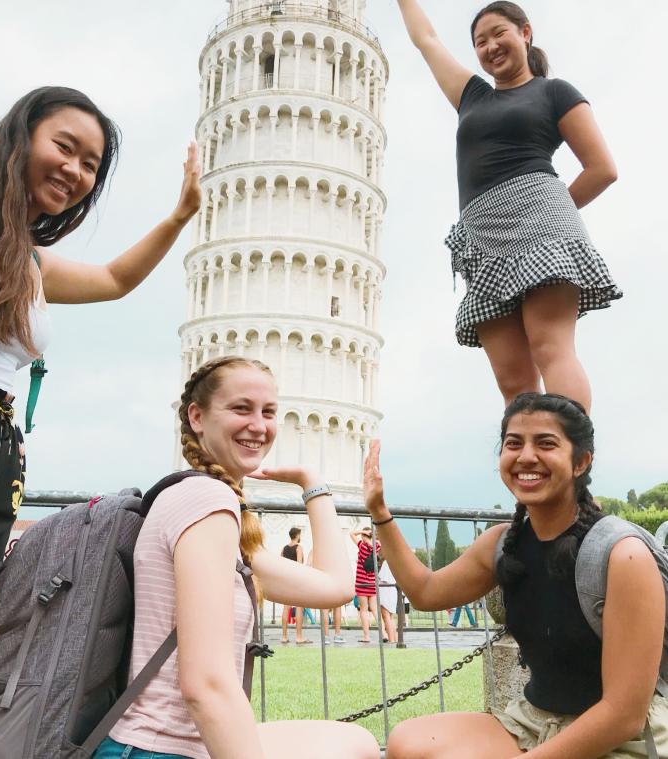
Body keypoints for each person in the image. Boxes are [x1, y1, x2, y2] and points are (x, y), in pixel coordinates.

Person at [0, 86, 202, 742]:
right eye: (63, 146)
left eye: (90, 164)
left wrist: (180, 215)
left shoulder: (23, 257)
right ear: (20, 135)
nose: (74, 170)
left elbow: (114, 279)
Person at [97, 356, 380, 759]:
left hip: (153, 742)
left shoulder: (203, 504)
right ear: (197, 416)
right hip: (160, 748)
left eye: (269, 412)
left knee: (356, 742)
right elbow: (205, 685)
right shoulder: (206, 502)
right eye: (241, 408)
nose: (259, 426)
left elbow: (336, 586)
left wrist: (313, 484)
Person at [364, 394, 668, 758]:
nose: (526, 456)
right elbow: (426, 592)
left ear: (580, 462)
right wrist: (379, 511)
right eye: (513, 443)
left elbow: (623, 716)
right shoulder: (502, 543)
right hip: (534, 721)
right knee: (407, 743)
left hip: (620, 736)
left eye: (546, 443)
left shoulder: (623, 554)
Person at [396, 0, 621, 412]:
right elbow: (426, 40)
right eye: (480, 42)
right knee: (512, 377)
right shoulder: (472, 96)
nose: (491, 46)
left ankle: (572, 458)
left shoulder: (554, 92)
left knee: (549, 346)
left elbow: (602, 168)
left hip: (541, 217)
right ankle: (529, 463)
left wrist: (548, 213)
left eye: (500, 33)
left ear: (525, 33)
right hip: (481, 234)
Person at [281, 526, 310, 644]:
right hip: (296, 580)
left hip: (286, 579)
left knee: (286, 607)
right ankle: (298, 637)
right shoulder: (299, 548)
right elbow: (299, 565)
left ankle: (284, 636)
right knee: (299, 607)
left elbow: (280, 563)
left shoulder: (284, 548)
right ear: (297, 535)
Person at [350, 527, 380, 643]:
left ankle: (366, 636)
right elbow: (376, 543)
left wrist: (362, 532)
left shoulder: (361, 546)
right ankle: (384, 633)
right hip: (372, 582)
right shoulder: (377, 547)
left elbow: (351, 533)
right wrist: (370, 537)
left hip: (361, 582)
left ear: (363, 536)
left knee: (363, 609)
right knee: (374, 609)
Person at [377, 558, 398, 643]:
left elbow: (383, 580)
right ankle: (395, 638)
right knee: (391, 617)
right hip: (393, 591)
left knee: (386, 616)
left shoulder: (387, 562)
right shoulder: (396, 561)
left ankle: (392, 639)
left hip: (386, 590)